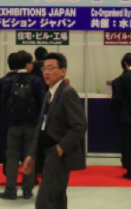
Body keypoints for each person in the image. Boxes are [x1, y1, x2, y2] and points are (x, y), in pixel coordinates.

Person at [23, 52, 87, 209]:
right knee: (57, 199)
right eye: (44, 68)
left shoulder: (67, 93)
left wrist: (61, 148)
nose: (46, 72)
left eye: (51, 68)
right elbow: (41, 127)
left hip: (57, 154)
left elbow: (79, 125)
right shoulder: (48, 94)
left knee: (44, 201)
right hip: (45, 151)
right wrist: (32, 154)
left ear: (63, 71)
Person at [0, 50, 45, 200]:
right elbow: (42, 103)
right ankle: (27, 190)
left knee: (12, 157)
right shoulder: (36, 81)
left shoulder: (8, 81)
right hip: (32, 125)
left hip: (13, 125)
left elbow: (3, 104)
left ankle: (10, 189)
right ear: (27, 64)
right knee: (29, 156)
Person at [0, 52, 18, 175]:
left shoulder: (0, 82)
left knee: (5, 147)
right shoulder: (27, 81)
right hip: (22, 121)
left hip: (4, 121)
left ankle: (8, 172)